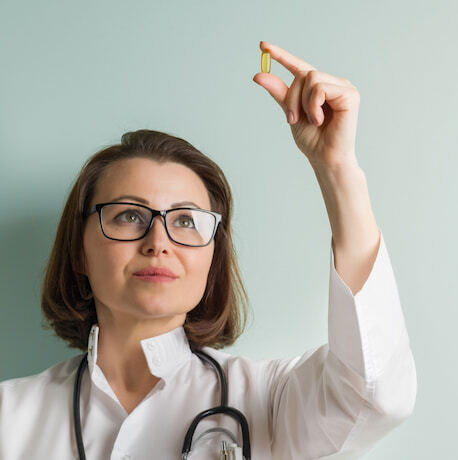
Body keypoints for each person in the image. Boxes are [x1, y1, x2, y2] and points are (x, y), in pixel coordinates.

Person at [0, 41, 416, 459]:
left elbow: (373, 395)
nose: (158, 243)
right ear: (78, 251)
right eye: (128, 216)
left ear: (213, 257)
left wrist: (337, 168)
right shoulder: (10, 417)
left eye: (185, 220)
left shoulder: (272, 399)